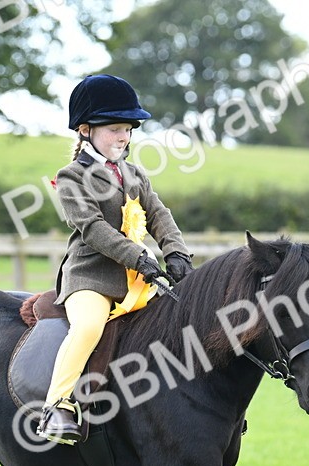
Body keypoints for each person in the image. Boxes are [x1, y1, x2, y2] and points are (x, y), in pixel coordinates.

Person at [37, 73, 193, 445]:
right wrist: (140, 256)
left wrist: (176, 252)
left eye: (128, 129)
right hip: (91, 278)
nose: (123, 137)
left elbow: (159, 214)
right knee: (89, 327)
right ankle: (55, 406)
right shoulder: (72, 177)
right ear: (86, 130)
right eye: (115, 130)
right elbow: (92, 228)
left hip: (137, 281)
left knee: (182, 320)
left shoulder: (134, 173)